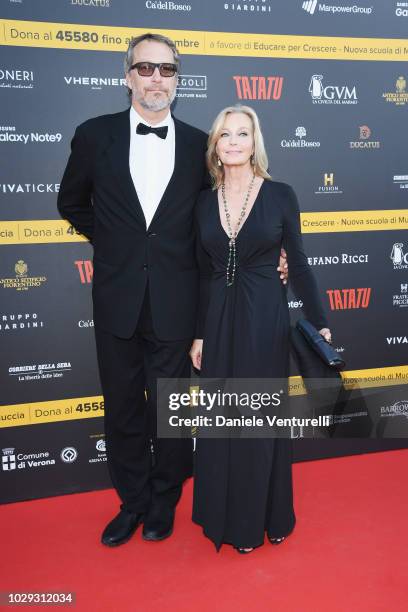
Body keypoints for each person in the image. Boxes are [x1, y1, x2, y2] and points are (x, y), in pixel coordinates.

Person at [58, 32, 289, 547]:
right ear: (128, 76)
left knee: (170, 410)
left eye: (166, 69)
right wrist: (119, 243)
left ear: (178, 80)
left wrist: (274, 248)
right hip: (117, 300)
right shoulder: (94, 136)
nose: (155, 78)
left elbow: (227, 214)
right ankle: (132, 503)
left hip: (178, 303)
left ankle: (164, 501)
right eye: (145, 68)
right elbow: (71, 203)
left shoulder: (197, 147)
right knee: (121, 408)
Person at [190, 105, 331, 553]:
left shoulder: (280, 195)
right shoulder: (200, 201)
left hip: (264, 318)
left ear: (255, 143)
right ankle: (224, 518)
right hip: (217, 319)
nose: (233, 142)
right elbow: (200, 273)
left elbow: (301, 263)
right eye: (225, 135)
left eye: (243, 134)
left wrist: (320, 322)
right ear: (215, 145)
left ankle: (265, 517)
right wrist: (199, 333)